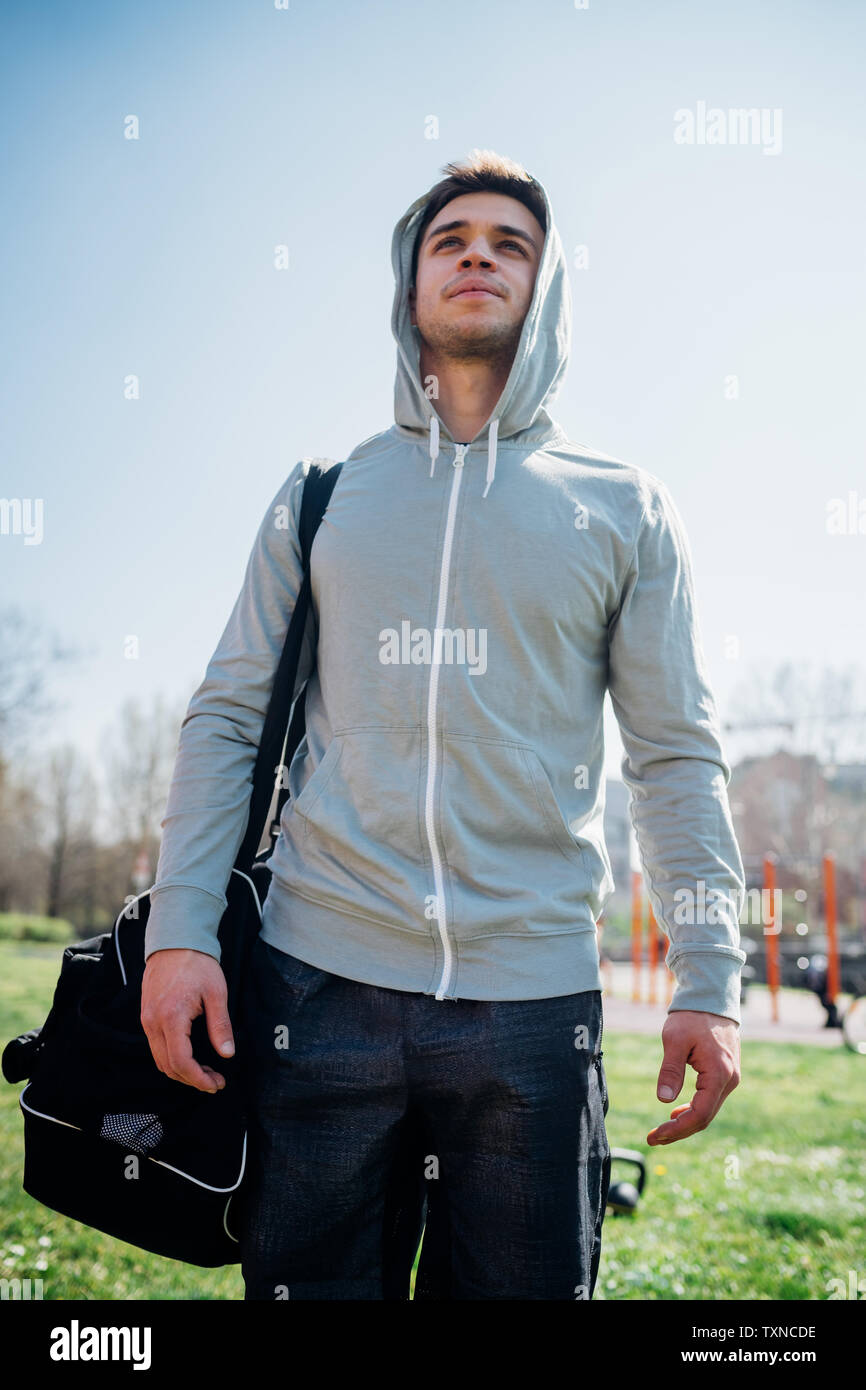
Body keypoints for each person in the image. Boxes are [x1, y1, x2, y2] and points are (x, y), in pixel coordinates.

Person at [141, 149, 746, 1300]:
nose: (478, 255)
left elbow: (674, 754)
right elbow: (223, 719)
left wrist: (708, 974)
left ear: (544, 285)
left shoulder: (622, 505)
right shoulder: (320, 493)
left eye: (509, 242)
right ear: (408, 283)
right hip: (315, 986)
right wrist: (180, 932)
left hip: (534, 1007)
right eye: (450, 238)